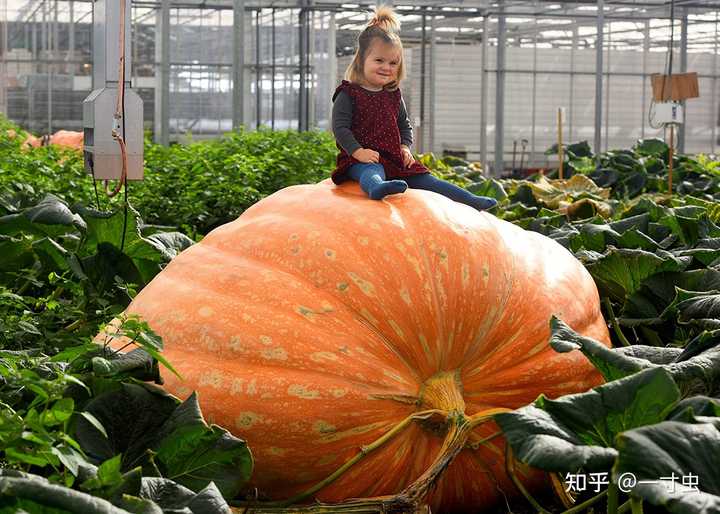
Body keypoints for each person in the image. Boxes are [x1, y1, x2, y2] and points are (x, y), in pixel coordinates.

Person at [331, 6, 497, 211]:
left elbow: (404, 126)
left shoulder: (393, 95)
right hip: (361, 160)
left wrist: (404, 148)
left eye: (393, 63)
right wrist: (358, 152)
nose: (386, 67)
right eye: (379, 60)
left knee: (429, 181)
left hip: (394, 159)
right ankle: (377, 188)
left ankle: (471, 200)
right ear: (361, 60)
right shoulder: (349, 94)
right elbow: (340, 128)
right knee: (371, 172)